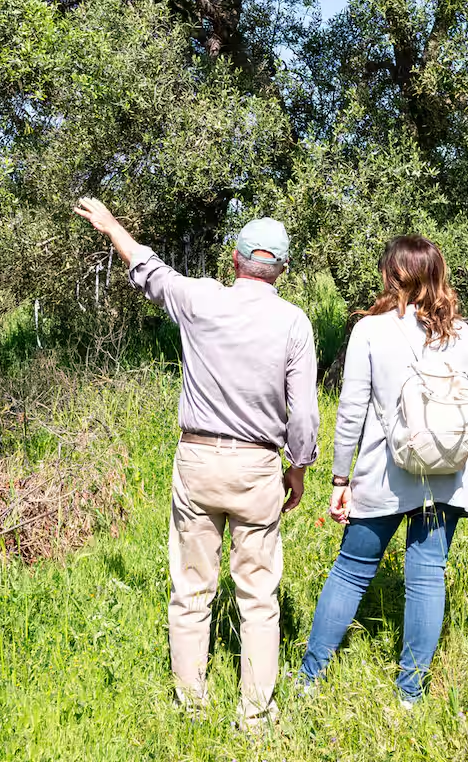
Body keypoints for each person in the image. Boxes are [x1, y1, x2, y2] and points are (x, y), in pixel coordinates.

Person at [75, 198, 317, 728]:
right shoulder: (294, 323)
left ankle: (190, 705)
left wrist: (112, 223)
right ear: (279, 270)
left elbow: (146, 265)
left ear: (235, 260)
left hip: (198, 460)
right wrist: (297, 469)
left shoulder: (200, 299)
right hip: (257, 468)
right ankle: (255, 715)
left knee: (191, 590)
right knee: (258, 596)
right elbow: (302, 416)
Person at [299, 236, 468, 705]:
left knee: (350, 572)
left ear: (391, 275)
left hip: (384, 475)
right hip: (445, 476)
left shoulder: (371, 331)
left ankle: (308, 678)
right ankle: (410, 694)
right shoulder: (462, 336)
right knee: (427, 577)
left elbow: (350, 414)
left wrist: (340, 479)